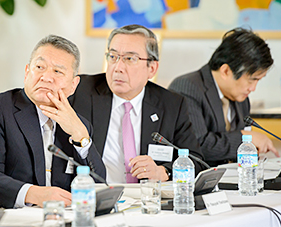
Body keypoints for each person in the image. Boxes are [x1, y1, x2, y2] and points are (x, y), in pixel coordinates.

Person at [0, 35, 106, 217]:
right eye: (39, 67)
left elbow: (99, 182)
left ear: (73, 85)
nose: (46, 77)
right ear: (27, 72)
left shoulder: (79, 124)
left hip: (55, 218)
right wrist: (35, 194)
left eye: (58, 72)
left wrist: (81, 136)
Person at [69, 24, 205, 184]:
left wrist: (163, 171)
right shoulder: (80, 90)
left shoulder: (171, 104)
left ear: (152, 68)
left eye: (129, 59)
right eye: (113, 57)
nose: (118, 68)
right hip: (93, 197)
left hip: (148, 200)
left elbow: (196, 162)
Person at [169, 27, 279, 167]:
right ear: (226, 71)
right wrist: (245, 139)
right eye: (252, 80)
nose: (253, 88)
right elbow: (198, 145)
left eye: (258, 81)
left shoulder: (241, 97)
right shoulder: (187, 87)